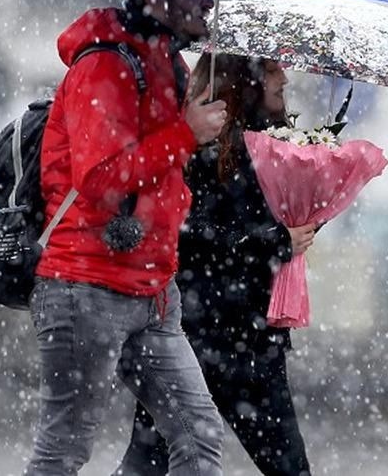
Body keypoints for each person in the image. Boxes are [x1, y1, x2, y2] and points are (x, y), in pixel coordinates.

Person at [27, 0, 228, 476]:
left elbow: (166, 169)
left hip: (154, 291)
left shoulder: (167, 64)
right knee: (63, 452)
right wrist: (186, 133)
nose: (208, 0)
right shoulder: (106, 65)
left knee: (198, 436)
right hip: (86, 286)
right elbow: (100, 178)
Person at [116, 53, 316, 476]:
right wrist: (276, 243)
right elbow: (192, 236)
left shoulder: (275, 146)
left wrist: (305, 220)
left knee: (288, 467)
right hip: (198, 337)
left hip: (249, 339)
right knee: (150, 462)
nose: (285, 77)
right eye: (273, 68)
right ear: (246, 79)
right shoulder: (202, 148)